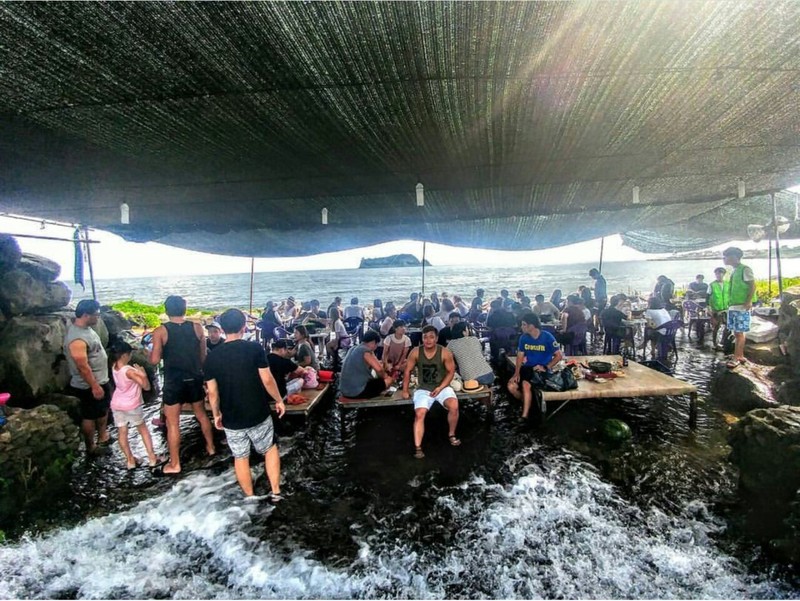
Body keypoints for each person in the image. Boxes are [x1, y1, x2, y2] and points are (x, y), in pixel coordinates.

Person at [204, 308, 285, 501]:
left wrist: (216, 414)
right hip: (257, 411)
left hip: (231, 416)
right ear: (243, 327)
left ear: (222, 329)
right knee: (269, 449)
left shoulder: (212, 357)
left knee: (240, 457)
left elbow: (212, 392)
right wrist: (279, 400)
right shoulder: (254, 348)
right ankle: (275, 492)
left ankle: (249, 498)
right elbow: (267, 380)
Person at [149, 295, 216, 475]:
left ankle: (175, 464)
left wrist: (150, 354)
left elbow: (154, 360)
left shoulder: (160, 331)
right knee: (201, 415)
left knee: (173, 423)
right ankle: (211, 448)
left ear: (166, 310)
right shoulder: (197, 327)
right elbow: (203, 357)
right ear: (184, 309)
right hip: (194, 377)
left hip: (174, 380)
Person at [402, 326, 461, 459]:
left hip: (442, 387)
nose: (428, 340)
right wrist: (405, 390)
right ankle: (418, 446)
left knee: (454, 406)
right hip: (423, 388)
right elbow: (407, 371)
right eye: (425, 337)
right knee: (419, 413)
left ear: (436, 338)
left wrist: (440, 387)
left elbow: (451, 371)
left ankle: (451, 434)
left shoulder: (445, 352)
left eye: (431, 337)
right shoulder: (415, 352)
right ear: (422, 338)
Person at [64, 299, 112, 456]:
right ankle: (91, 447)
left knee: (102, 409)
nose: (98, 317)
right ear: (86, 315)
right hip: (87, 385)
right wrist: (94, 386)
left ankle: (103, 436)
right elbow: (82, 366)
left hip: (100, 379)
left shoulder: (86, 329)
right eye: (96, 315)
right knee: (89, 416)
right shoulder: (77, 339)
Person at [109, 340, 160, 470]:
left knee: (122, 432)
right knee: (143, 430)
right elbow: (146, 387)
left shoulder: (114, 366)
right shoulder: (129, 371)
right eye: (130, 353)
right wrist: (143, 375)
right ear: (124, 355)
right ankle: (152, 458)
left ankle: (130, 461)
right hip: (131, 405)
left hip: (117, 404)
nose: (131, 356)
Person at [508, 312, 563, 421]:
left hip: (541, 370)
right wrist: (516, 373)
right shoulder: (524, 338)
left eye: (524, 324)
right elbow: (520, 356)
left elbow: (558, 356)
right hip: (528, 369)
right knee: (511, 386)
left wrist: (546, 367)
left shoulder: (547, 337)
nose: (521, 327)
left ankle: (525, 415)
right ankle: (528, 402)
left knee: (525, 384)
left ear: (531, 326)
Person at [723, 247, 756, 369]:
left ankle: (737, 357)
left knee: (739, 332)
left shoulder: (745, 269)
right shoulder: (734, 270)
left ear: (733, 257)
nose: (724, 259)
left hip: (741, 305)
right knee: (736, 332)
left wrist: (748, 301)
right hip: (734, 305)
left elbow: (752, 286)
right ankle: (739, 354)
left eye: (726, 257)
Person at [340, 331, 393, 398]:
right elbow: (379, 369)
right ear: (373, 342)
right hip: (356, 392)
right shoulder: (365, 350)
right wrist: (386, 376)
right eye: (376, 345)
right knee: (389, 380)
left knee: (376, 380)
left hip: (344, 390)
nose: (376, 348)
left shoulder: (352, 349)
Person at [707, 267, 729, 350]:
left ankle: (724, 342)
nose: (718, 275)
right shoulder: (712, 285)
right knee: (716, 327)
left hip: (726, 308)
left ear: (723, 274)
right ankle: (715, 344)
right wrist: (708, 308)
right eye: (716, 274)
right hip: (716, 309)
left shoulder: (728, 284)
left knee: (728, 326)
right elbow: (707, 297)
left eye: (720, 273)